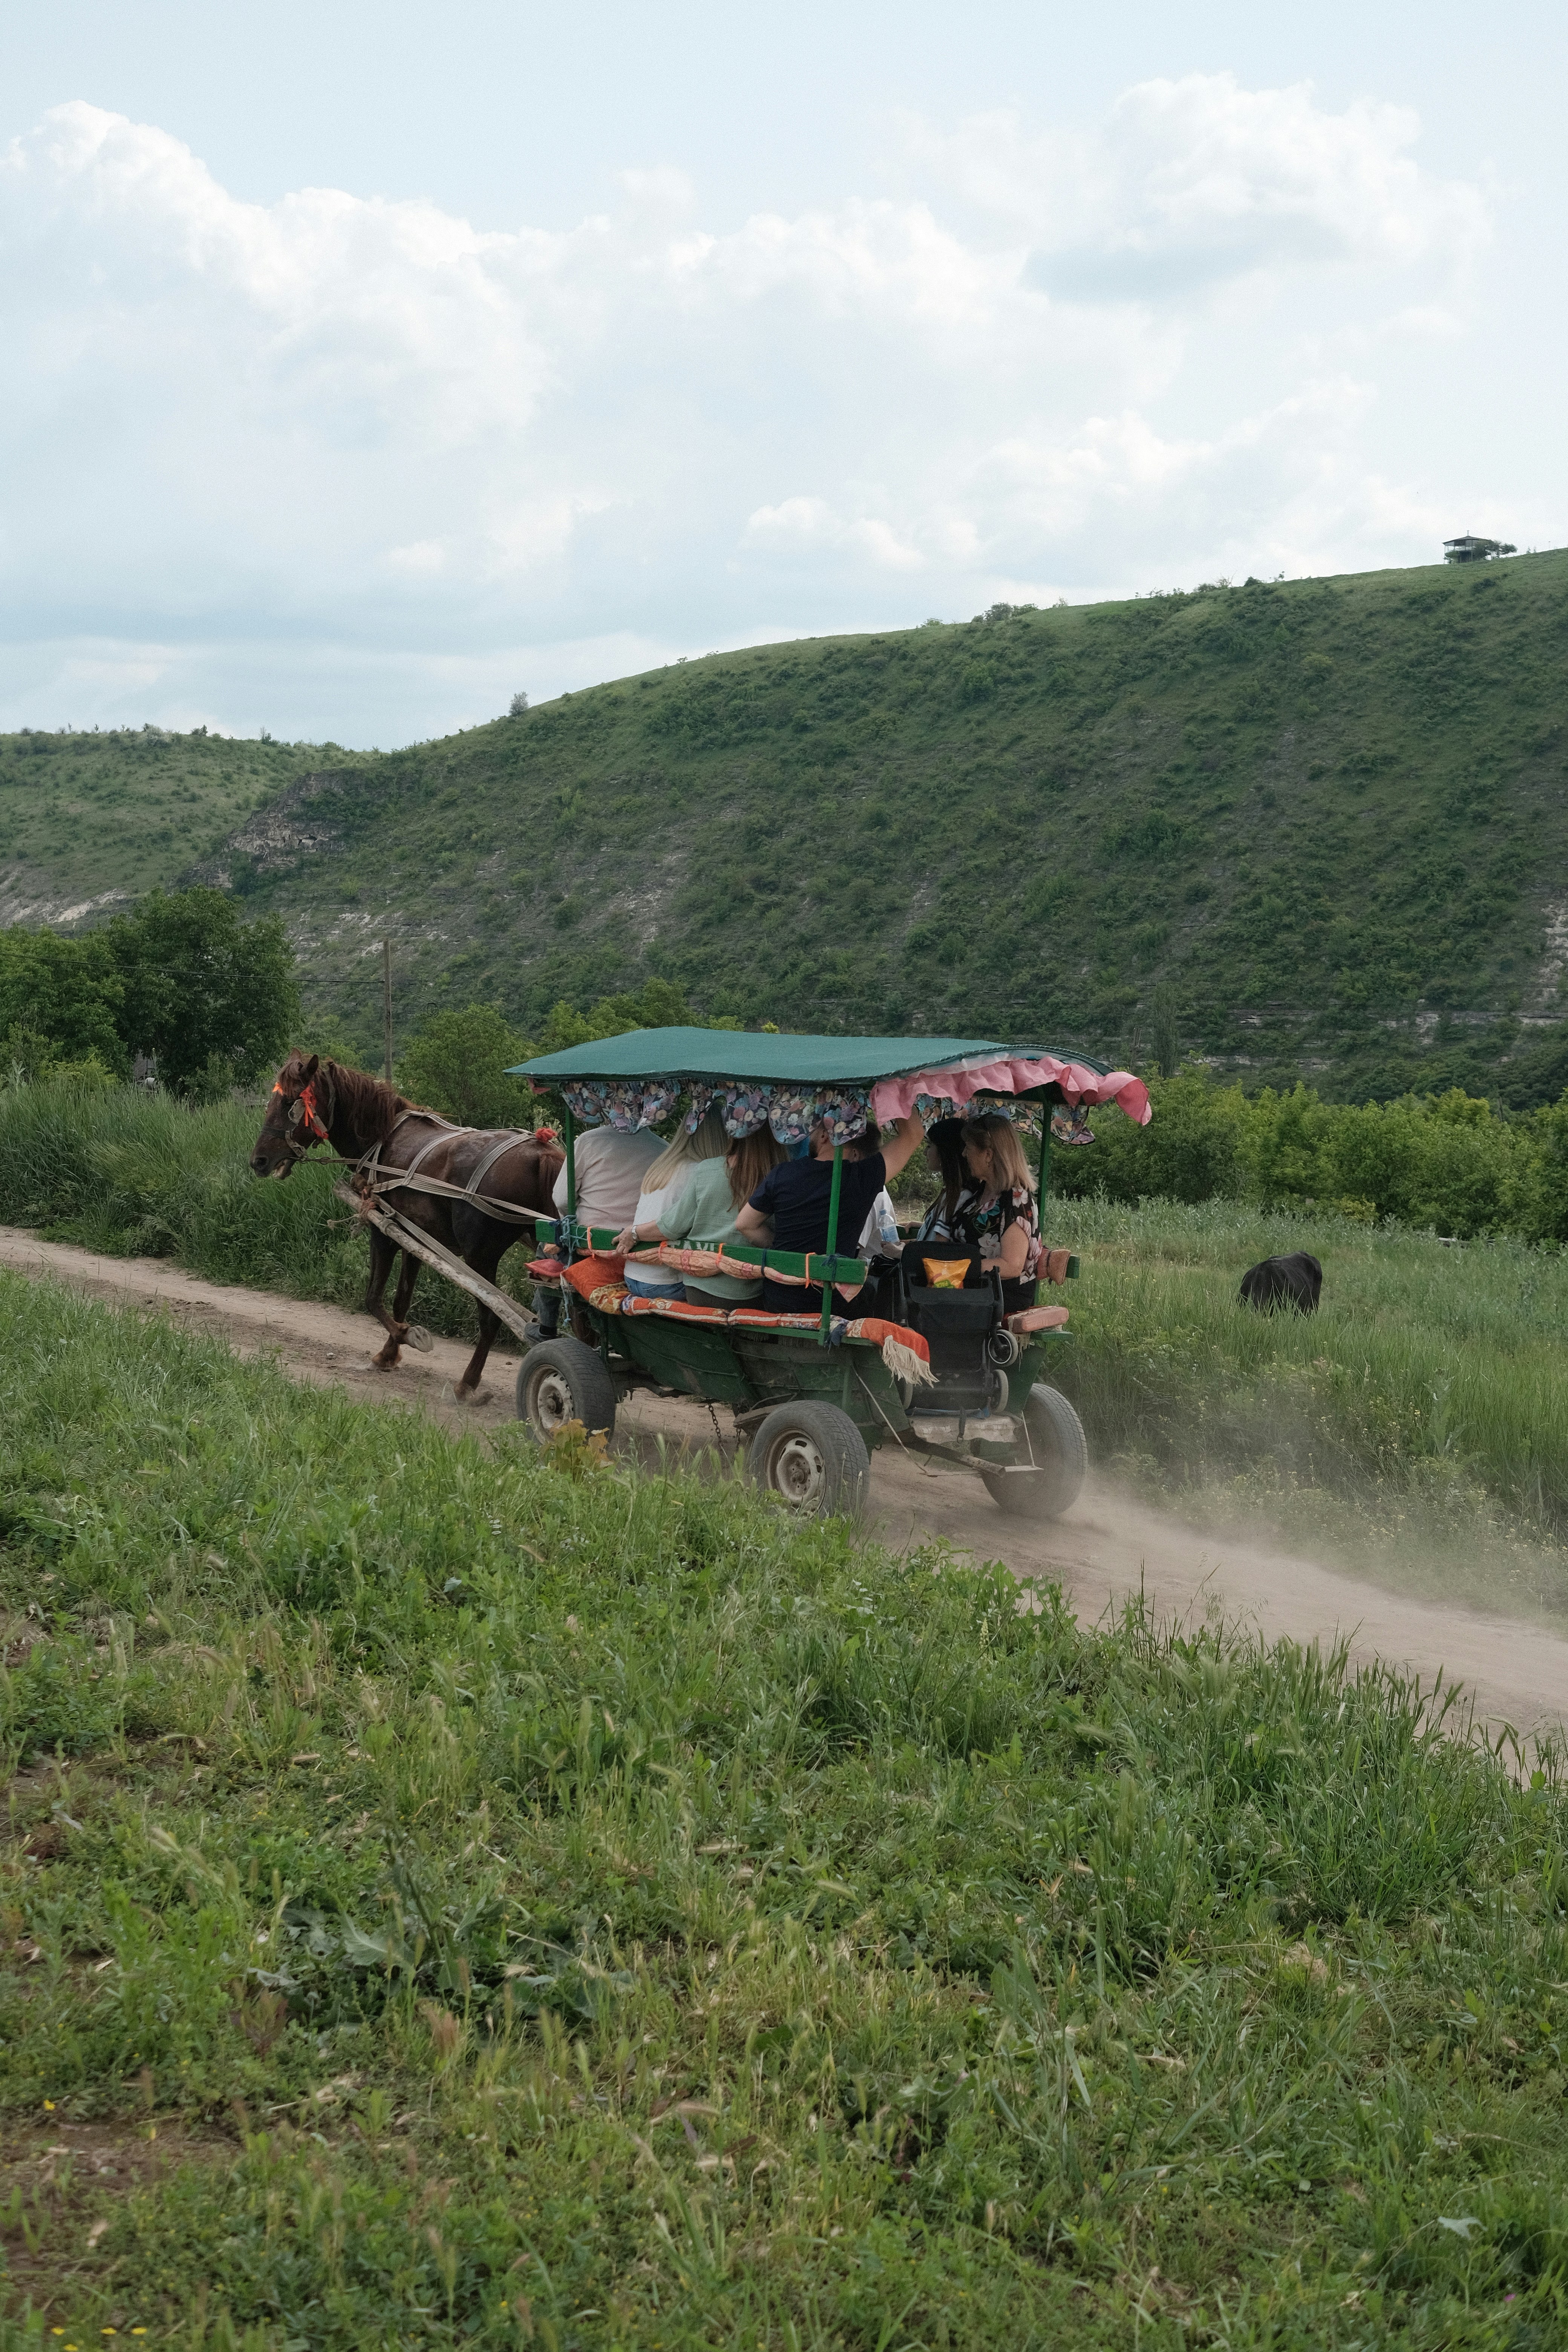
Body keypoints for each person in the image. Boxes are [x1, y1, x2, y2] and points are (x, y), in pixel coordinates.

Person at [735, 1112, 925, 1315]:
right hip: (833, 1304)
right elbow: (914, 1134)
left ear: (826, 1136)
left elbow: (745, 1224)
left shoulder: (782, 1174)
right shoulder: (862, 1178)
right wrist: (897, 1088)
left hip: (780, 1299)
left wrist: (786, 1252)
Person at [625, 1125, 786, 1306]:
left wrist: (634, 1233)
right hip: (748, 1294)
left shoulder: (708, 1169)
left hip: (699, 1292)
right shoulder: (781, 1177)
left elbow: (672, 1227)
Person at [534, 1117, 665, 1338]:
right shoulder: (664, 1149)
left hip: (594, 1247)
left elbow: (562, 1199)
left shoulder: (589, 1141)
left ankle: (545, 1329)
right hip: (643, 1247)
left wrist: (570, 1223)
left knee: (544, 1249)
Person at [614, 1107, 729, 1301]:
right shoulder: (700, 1171)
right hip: (666, 1283)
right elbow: (673, 1228)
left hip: (634, 1276)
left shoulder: (663, 1165)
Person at [948, 1112, 1042, 1315]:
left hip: (997, 1299)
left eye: (969, 1148)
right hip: (971, 1292)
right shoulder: (982, 1193)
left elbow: (1012, 1266)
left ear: (988, 1155)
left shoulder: (1017, 1201)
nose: (964, 1154)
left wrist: (958, 1269)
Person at [908, 1117, 968, 1245]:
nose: (925, 1153)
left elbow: (937, 1251)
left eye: (929, 1146)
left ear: (944, 1151)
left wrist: (900, 1252)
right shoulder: (952, 1194)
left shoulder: (959, 1197)